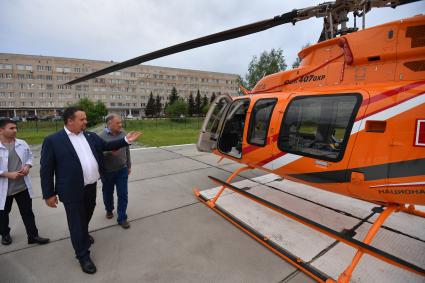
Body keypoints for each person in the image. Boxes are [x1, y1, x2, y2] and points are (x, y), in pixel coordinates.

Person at [40, 107, 141, 274]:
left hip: (91, 186)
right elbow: (46, 169)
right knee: (76, 223)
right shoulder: (53, 140)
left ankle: (83, 234)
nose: (86, 122)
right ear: (70, 121)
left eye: (85, 119)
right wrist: (48, 194)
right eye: (82, 119)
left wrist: (126, 141)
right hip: (71, 190)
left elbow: (107, 145)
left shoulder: (90, 136)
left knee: (87, 214)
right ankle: (83, 255)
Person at [0, 118, 49, 246]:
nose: (15, 130)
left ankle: (33, 236)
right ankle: (5, 234)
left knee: (27, 212)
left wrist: (27, 166)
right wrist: (6, 174)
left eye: (16, 128)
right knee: (3, 214)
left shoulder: (22, 143)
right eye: (11, 128)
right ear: (1, 130)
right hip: (4, 189)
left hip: (22, 187)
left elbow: (30, 157)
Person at [99, 114, 131, 229]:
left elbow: (127, 150)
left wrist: (129, 165)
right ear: (109, 124)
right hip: (107, 172)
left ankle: (122, 217)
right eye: (118, 123)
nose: (120, 125)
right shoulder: (100, 136)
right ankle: (109, 209)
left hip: (122, 169)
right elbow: (97, 154)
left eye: (120, 122)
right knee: (108, 193)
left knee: (123, 194)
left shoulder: (123, 133)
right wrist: (109, 152)